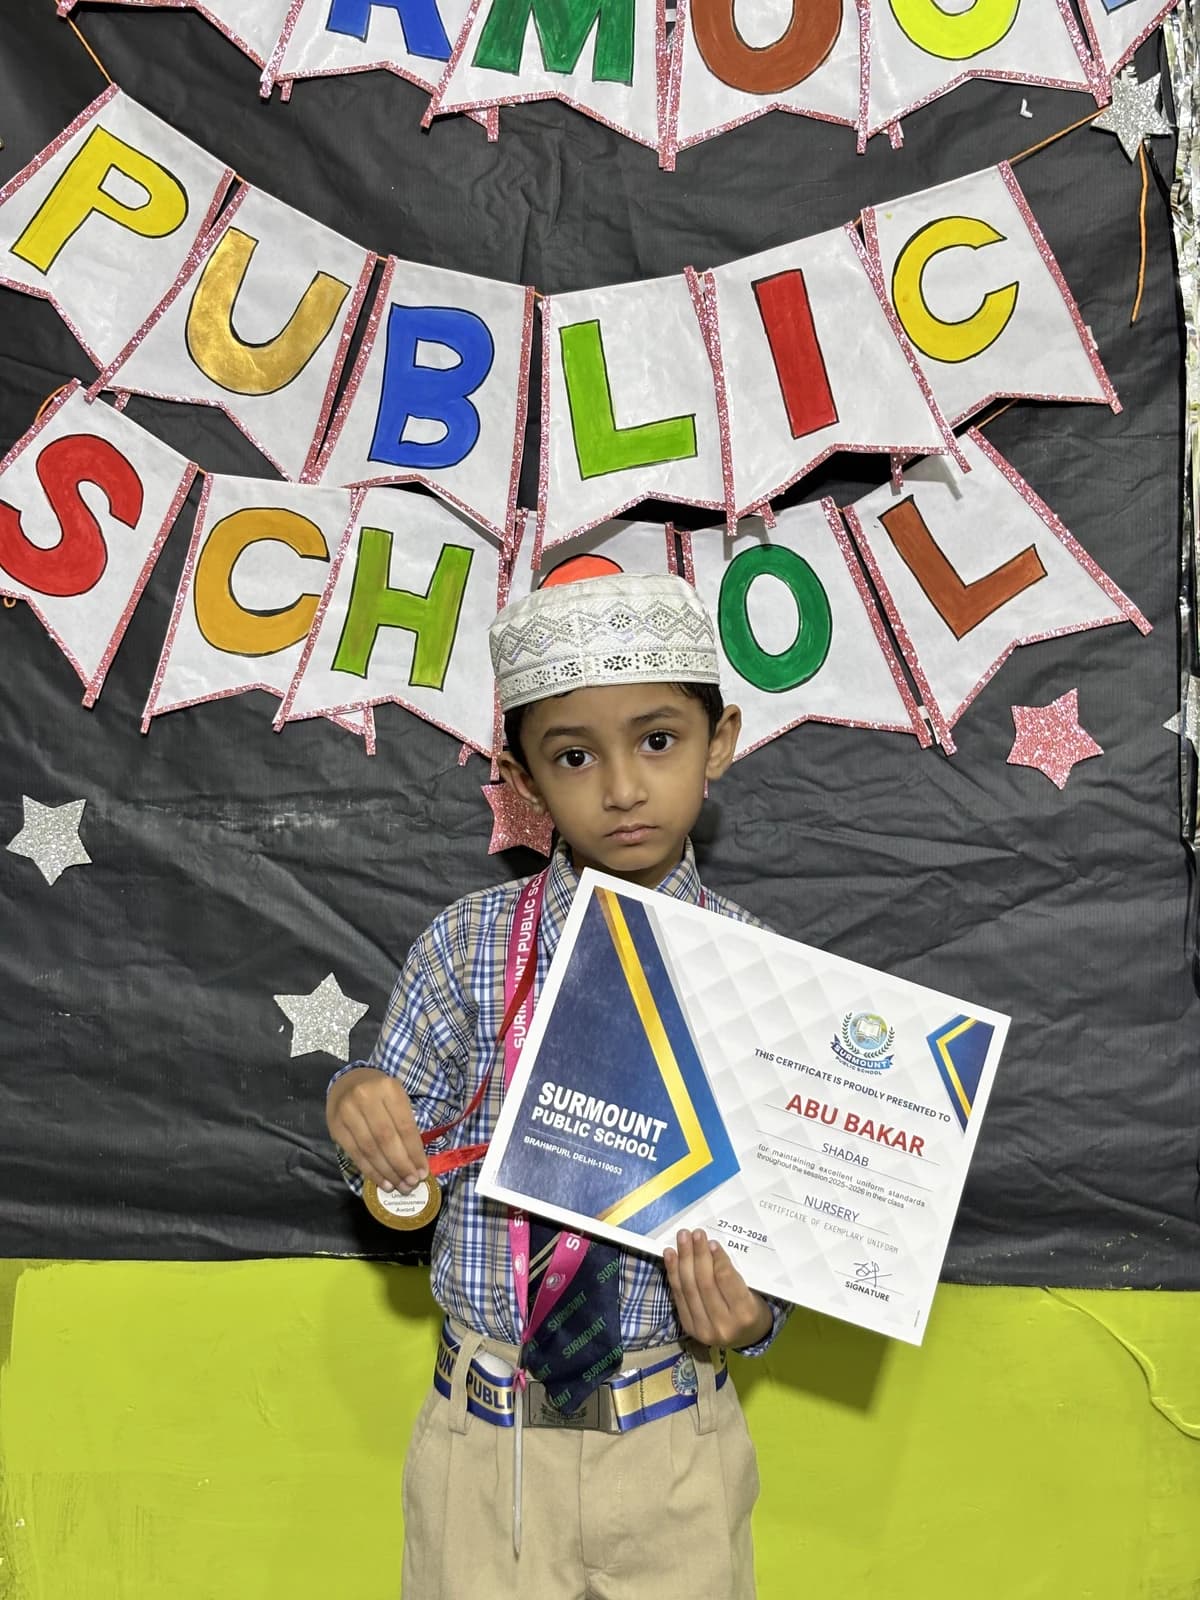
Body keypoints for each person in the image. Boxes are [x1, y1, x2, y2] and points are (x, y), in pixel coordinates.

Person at [326, 572, 788, 1599]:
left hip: (675, 1442)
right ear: (521, 778)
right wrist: (374, 1137)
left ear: (720, 741)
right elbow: (404, 1201)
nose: (622, 787)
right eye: (574, 756)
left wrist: (754, 1318)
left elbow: (795, 1231)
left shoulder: (765, 984)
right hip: (484, 1451)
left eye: (658, 740)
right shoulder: (468, 948)